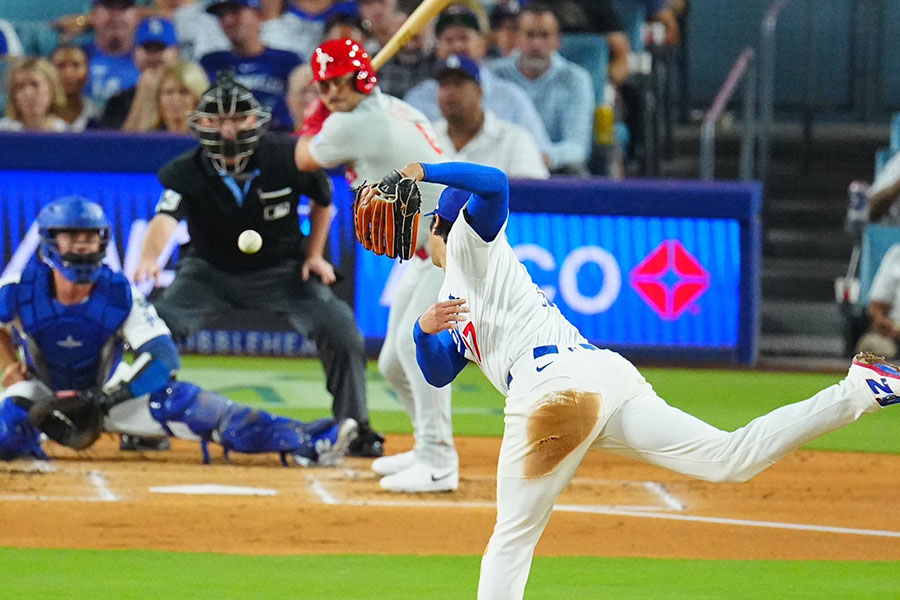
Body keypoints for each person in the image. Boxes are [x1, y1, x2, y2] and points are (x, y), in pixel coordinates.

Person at [355, 160, 898, 600]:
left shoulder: (474, 244)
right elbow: (438, 372)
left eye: (428, 223)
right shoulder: (448, 302)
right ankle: (858, 391)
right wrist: (424, 333)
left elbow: (491, 181)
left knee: (511, 540)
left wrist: (420, 171)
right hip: (603, 376)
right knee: (727, 459)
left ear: (436, 227)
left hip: (554, 389)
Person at [0, 196, 358, 466]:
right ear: (50, 242)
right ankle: (29, 450)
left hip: (103, 396)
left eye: (90, 237)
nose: (82, 245)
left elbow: (162, 357)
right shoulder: (19, 287)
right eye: (72, 237)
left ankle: (307, 441)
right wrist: (7, 365)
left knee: (195, 406)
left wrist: (103, 401)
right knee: (7, 430)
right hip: (41, 393)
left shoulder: (121, 294)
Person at [134, 74, 382, 458]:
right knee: (153, 330)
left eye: (238, 120)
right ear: (202, 123)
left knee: (341, 327)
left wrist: (314, 254)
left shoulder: (288, 156)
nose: (228, 130)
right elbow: (164, 219)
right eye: (218, 121)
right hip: (207, 273)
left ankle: (356, 426)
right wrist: (150, 258)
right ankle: (144, 424)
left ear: (256, 121)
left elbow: (324, 202)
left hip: (283, 270)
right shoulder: (186, 169)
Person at [294, 38, 458, 492]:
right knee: (392, 362)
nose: (329, 93)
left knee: (414, 346)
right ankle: (427, 447)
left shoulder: (357, 124)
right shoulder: (387, 108)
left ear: (361, 78)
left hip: (455, 243)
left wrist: (316, 117)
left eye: (337, 83)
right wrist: (330, 111)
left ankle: (441, 461)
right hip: (434, 245)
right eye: (323, 86)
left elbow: (303, 156)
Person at [403, 6, 552, 160]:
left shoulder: (511, 97)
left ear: (483, 44)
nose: (457, 46)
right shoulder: (417, 99)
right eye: (448, 39)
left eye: (464, 38)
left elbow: (541, 154)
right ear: (437, 47)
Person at [488, 2, 595, 174]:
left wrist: (536, 158)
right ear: (517, 38)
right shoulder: (494, 75)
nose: (536, 44)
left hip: (555, 171)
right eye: (530, 35)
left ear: (558, 41)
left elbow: (577, 148)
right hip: (501, 169)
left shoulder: (576, 79)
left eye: (545, 36)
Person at [433, 54, 548, 179]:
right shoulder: (426, 136)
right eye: (444, 85)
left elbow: (532, 193)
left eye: (458, 84)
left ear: (479, 91)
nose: (450, 92)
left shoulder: (515, 139)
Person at [200, 0, 305, 131]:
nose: (228, 21)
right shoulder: (211, 62)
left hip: (278, 136)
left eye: (235, 12)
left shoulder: (287, 61)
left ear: (259, 15)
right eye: (221, 16)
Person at [95, 16, 180, 131]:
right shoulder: (118, 102)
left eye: (160, 48)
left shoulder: (190, 97)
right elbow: (118, 146)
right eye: (147, 48)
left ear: (176, 52)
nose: (154, 56)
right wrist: (143, 96)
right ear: (135, 53)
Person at [83, 0, 142, 115]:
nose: (116, 15)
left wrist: (188, 131)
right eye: (108, 7)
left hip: (137, 131)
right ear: (93, 15)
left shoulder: (153, 58)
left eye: (124, 7)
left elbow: (187, 115)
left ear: (137, 16)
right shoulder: (75, 58)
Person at [0, 58, 69, 133]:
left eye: (35, 84)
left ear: (52, 89)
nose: (28, 93)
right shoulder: (3, 130)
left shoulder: (66, 133)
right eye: (20, 87)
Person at [856, 243, 900, 358]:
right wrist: (881, 321)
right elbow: (876, 306)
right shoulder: (896, 254)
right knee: (872, 347)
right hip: (894, 334)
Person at [51, 45, 96, 132]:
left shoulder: (97, 114)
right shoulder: (40, 117)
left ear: (87, 72)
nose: (68, 74)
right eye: (61, 66)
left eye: (76, 66)